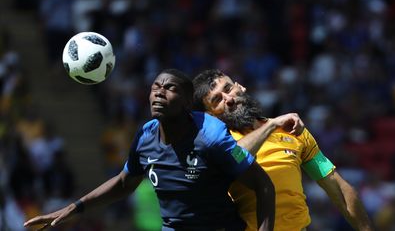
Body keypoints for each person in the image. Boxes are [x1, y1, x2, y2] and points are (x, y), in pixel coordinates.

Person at [24, 69, 276, 231]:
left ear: (188, 102)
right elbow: (125, 182)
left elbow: (263, 185)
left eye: (170, 88)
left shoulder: (211, 136)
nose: (159, 93)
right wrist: (74, 207)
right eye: (155, 87)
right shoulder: (146, 136)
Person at [192, 69, 374, 231]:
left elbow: (337, 187)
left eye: (228, 89)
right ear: (209, 115)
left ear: (240, 87)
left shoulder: (293, 131)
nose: (229, 99)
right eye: (217, 100)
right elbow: (233, 158)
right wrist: (271, 125)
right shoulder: (214, 144)